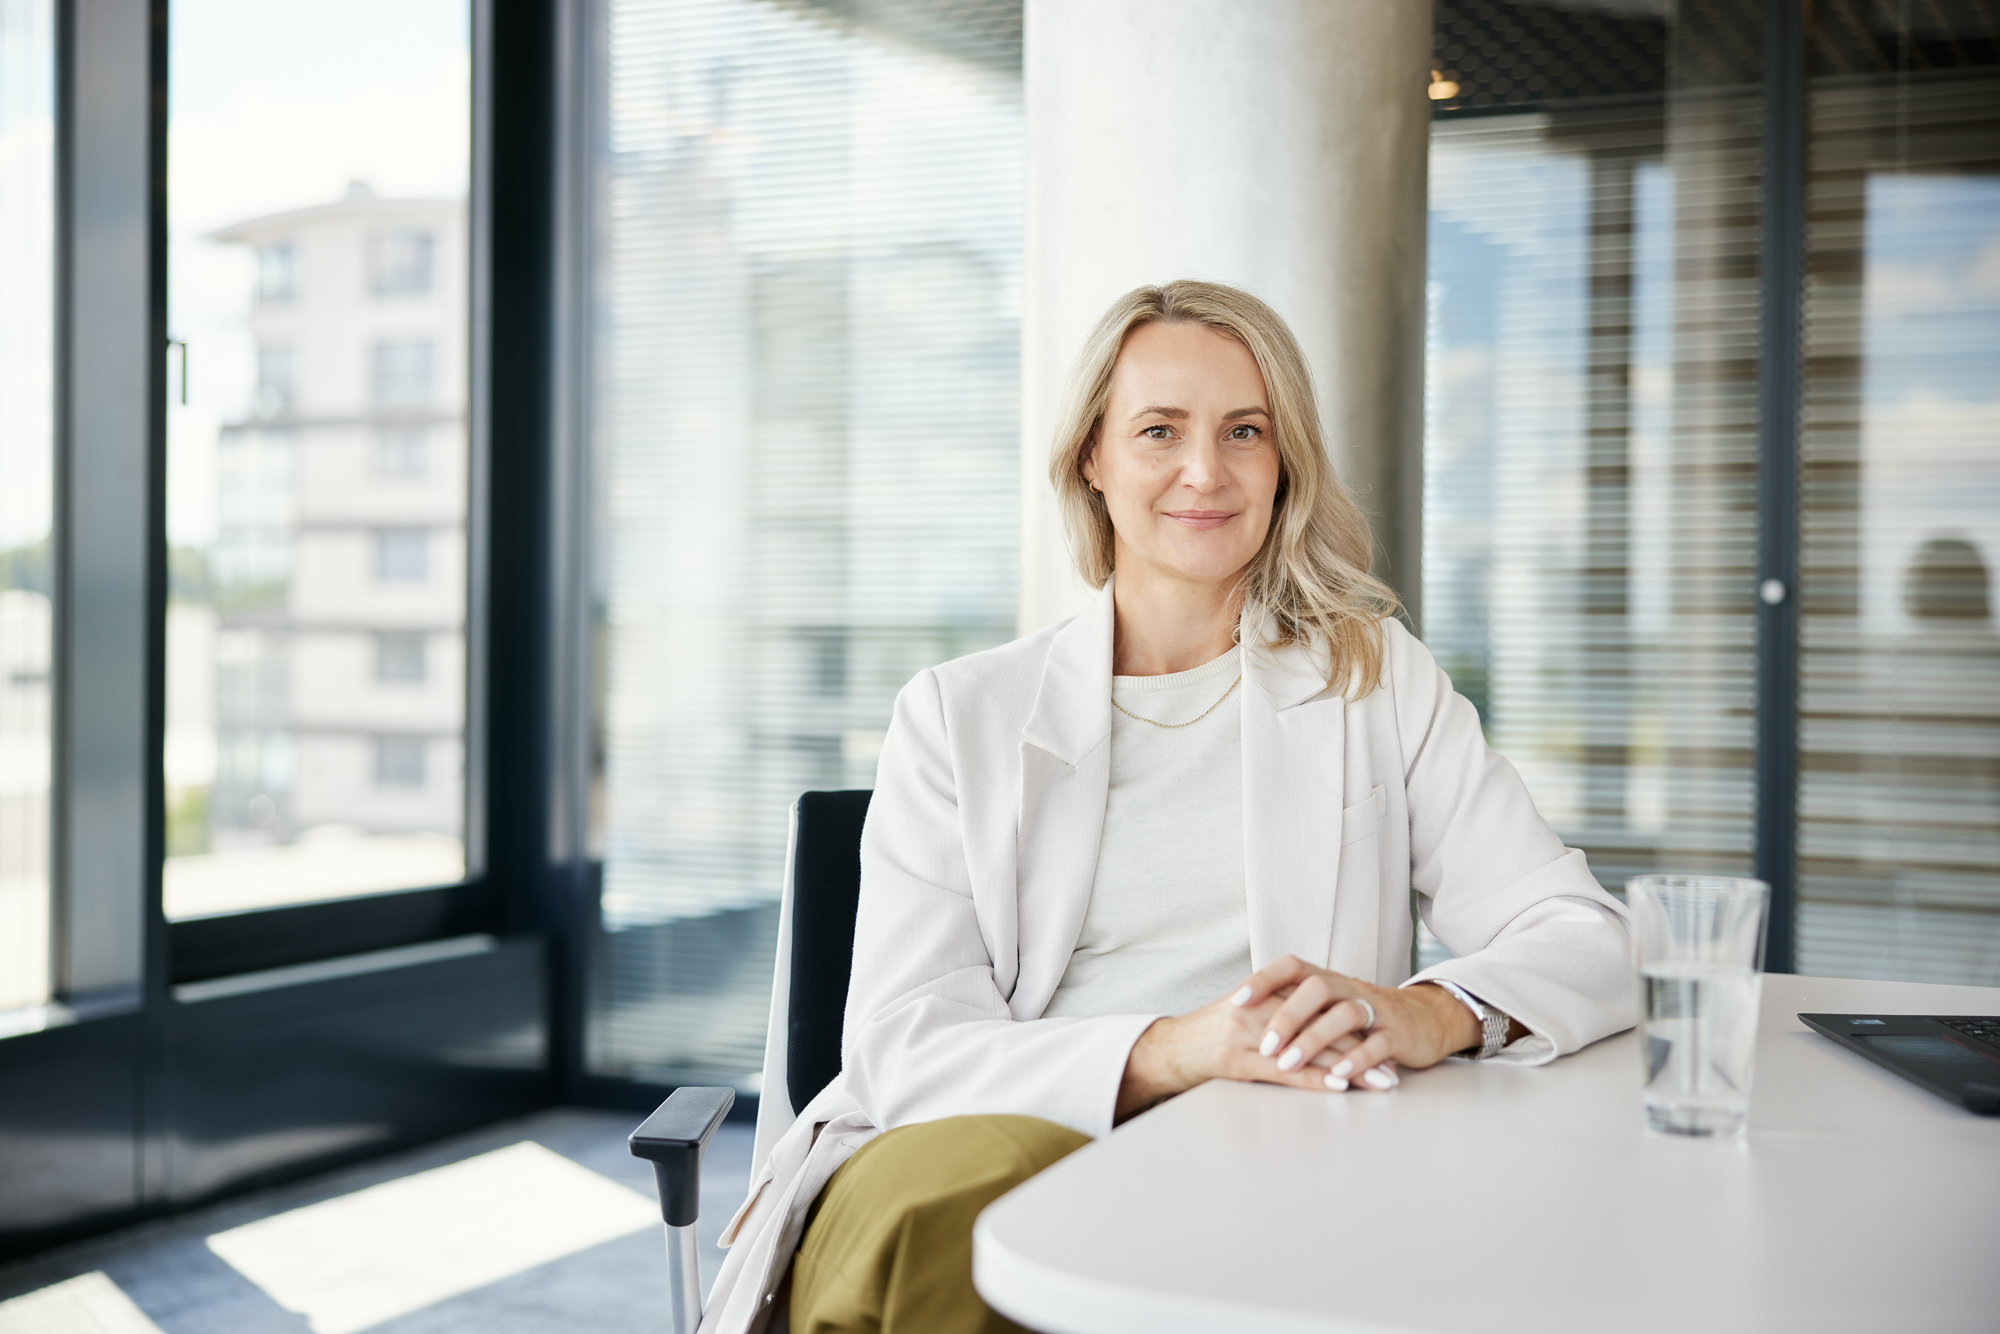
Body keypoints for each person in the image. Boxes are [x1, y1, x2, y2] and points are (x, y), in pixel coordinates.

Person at [701, 281, 1634, 1334]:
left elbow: (1584, 938)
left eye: (1245, 430)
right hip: (977, 1147)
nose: (1206, 470)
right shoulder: (959, 712)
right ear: (1090, 458)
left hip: (1264, 1166)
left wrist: (1423, 1010)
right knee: (973, 1218)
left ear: (1284, 463)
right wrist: (1176, 1047)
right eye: (1158, 430)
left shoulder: (1373, 681)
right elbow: (906, 1048)